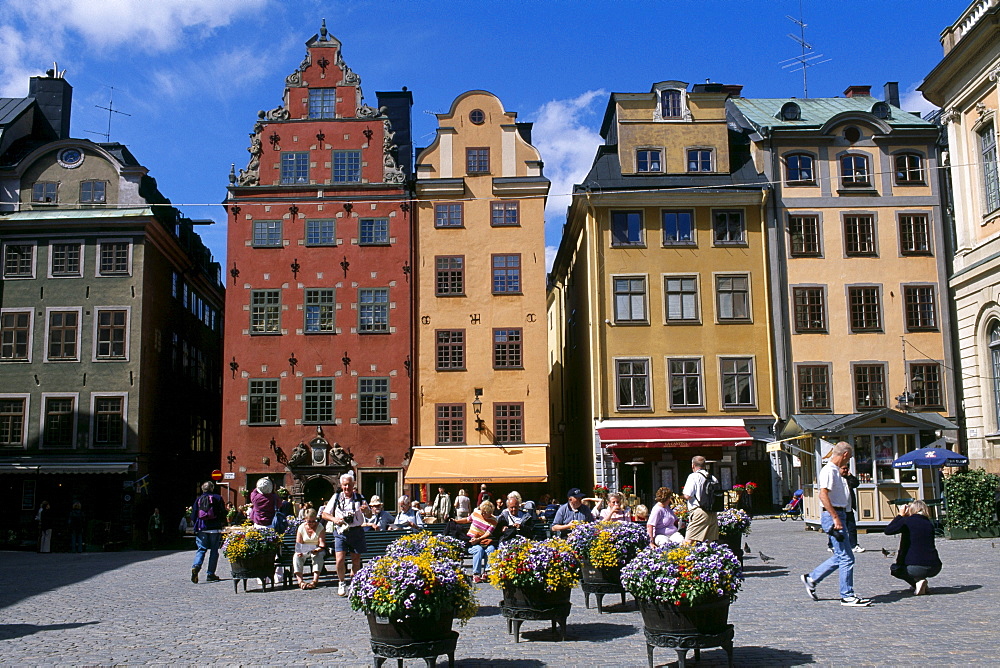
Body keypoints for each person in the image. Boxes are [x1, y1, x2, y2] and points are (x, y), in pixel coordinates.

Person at [801, 442, 872, 607]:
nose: (850, 461)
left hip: (840, 514)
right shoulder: (829, 471)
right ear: (845, 455)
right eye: (850, 457)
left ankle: (812, 578)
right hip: (834, 515)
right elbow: (823, 495)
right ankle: (847, 595)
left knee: (842, 556)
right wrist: (835, 517)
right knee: (847, 558)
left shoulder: (837, 472)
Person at [321, 473, 368, 597]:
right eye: (345, 485)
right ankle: (341, 582)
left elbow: (368, 514)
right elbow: (324, 515)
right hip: (341, 531)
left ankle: (354, 584)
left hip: (356, 531)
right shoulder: (336, 497)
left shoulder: (359, 497)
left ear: (353, 485)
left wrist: (366, 510)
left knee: (356, 560)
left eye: (349, 485)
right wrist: (335, 519)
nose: (347, 488)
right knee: (340, 559)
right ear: (341, 485)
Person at [885, 500, 942, 595]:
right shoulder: (929, 524)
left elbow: (888, 530)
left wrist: (900, 515)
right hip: (935, 566)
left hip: (915, 567)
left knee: (895, 569)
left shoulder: (907, 521)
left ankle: (917, 583)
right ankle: (922, 585)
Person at [191, 481, 225, 583]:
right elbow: (223, 512)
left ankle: (196, 566)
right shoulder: (218, 498)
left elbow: (193, 515)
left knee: (201, 549)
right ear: (212, 488)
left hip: (202, 528)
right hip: (215, 528)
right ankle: (210, 574)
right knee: (214, 551)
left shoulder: (198, 499)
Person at [682, 456, 720, 543]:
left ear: (693, 465)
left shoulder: (693, 476)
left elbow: (687, 495)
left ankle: (684, 557)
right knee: (709, 543)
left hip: (699, 512)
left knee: (688, 542)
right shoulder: (712, 477)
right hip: (712, 513)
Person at [827, 464, 864, 553]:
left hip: (848, 507)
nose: (845, 470)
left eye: (847, 468)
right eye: (843, 469)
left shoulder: (847, 479)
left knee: (851, 527)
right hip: (838, 508)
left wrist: (850, 475)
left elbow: (856, 484)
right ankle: (831, 545)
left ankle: (853, 545)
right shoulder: (836, 478)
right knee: (836, 527)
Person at [293, 509, 326, 589]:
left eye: (313, 521)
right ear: (305, 519)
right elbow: (298, 543)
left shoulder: (320, 527)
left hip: (317, 548)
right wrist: (299, 551)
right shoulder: (301, 527)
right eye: (309, 521)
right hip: (305, 548)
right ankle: (300, 581)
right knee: (297, 556)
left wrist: (317, 549)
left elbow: (322, 544)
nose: (311, 523)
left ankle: (315, 580)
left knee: (318, 556)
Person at [467, 500, 497, 583]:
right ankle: (476, 574)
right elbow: (467, 520)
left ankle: (487, 572)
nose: (483, 514)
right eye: (482, 512)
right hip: (472, 541)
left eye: (485, 513)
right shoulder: (476, 513)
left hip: (483, 541)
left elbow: (487, 534)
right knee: (478, 549)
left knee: (491, 549)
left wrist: (478, 539)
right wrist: (455, 521)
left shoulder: (494, 520)